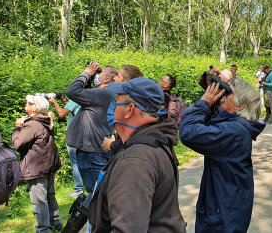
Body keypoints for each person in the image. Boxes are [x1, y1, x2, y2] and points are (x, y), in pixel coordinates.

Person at [89, 77, 186, 232]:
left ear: (129, 109)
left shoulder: (135, 162)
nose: (112, 105)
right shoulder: (155, 141)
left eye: (117, 100)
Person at [179, 78, 265, 232]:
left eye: (228, 94)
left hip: (223, 211)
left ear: (240, 106)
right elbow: (208, 120)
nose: (223, 96)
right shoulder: (235, 126)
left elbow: (189, 132)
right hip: (227, 204)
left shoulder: (233, 131)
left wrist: (204, 102)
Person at [12, 95, 62, 232]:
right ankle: (56, 223)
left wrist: (17, 127)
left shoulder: (32, 124)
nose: (24, 106)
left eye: (27, 104)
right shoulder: (46, 119)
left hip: (37, 168)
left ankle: (43, 229)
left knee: (39, 201)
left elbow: (17, 144)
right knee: (50, 195)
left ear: (34, 108)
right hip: (48, 164)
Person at [65, 62, 117, 195]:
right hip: (97, 149)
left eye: (99, 73)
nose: (96, 75)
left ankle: (96, 215)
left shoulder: (102, 94)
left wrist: (87, 72)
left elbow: (72, 91)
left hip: (92, 152)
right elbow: (85, 93)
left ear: (106, 79)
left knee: (96, 194)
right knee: (99, 191)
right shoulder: (109, 93)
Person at [49, 93, 85, 199]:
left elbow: (61, 113)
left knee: (75, 163)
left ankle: (78, 190)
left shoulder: (74, 101)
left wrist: (54, 102)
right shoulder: (85, 98)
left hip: (74, 136)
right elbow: (70, 106)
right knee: (84, 161)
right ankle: (90, 187)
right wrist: (62, 99)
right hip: (84, 134)